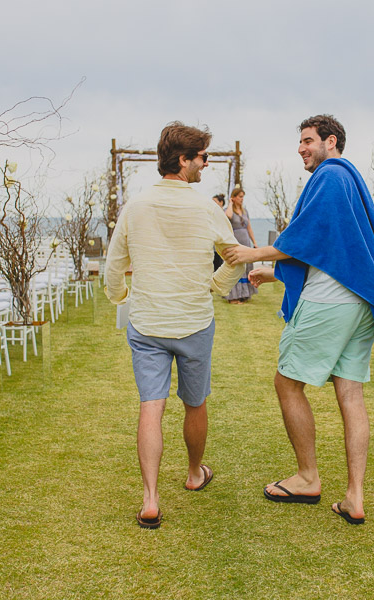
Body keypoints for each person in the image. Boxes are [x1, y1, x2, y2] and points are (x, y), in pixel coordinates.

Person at [223, 115, 374, 525]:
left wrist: (252, 255)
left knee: (287, 381)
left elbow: (308, 237)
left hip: (332, 303)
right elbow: (334, 252)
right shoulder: (348, 180)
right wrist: (275, 273)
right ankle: (354, 497)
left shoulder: (331, 177)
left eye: (308, 140)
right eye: (299, 141)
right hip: (359, 302)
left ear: (331, 141)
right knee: (350, 393)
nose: (301, 147)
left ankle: (307, 477)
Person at [105, 122, 244, 530]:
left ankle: (150, 499)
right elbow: (236, 256)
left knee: (151, 404)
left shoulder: (135, 206)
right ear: (183, 160)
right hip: (194, 321)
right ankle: (194, 472)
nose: (206, 164)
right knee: (195, 402)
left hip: (147, 322)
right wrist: (215, 287)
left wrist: (121, 299)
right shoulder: (207, 208)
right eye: (202, 157)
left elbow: (114, 266)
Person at [223, 187, 258, 304]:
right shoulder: (228, 210)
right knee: (236, 267)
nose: (242, 199)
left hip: (246, 241)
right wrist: (230, 203)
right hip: (235, 242)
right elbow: (228, 216)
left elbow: (249, 227)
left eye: (243, 197)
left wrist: (254, 242)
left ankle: (244, 294)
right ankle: (233, 296)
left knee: (246, 267)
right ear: (234, 197)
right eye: (240, 196)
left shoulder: (245, 211)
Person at [212, 194, 226, 271]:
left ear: (221, 202)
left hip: (220, 246)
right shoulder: (212, 213)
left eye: (214, 201)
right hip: (213, 245)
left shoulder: (224, 213)